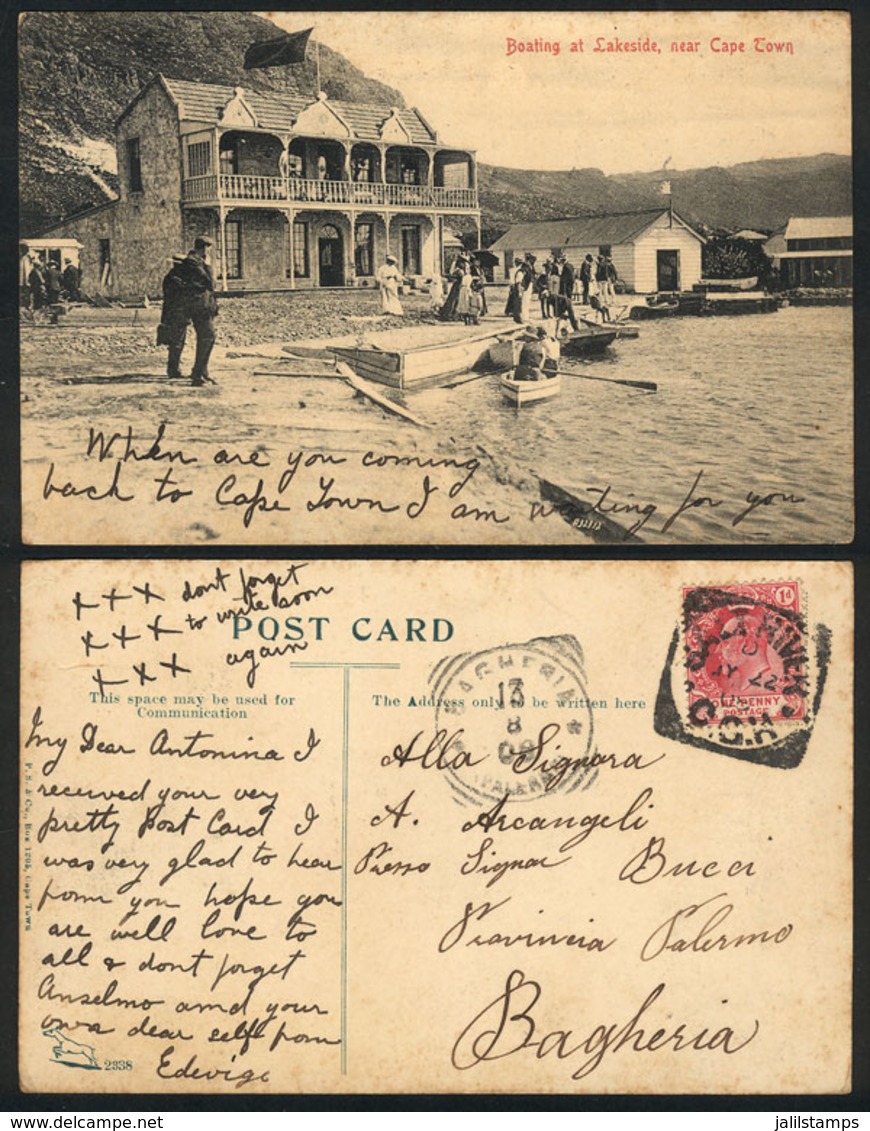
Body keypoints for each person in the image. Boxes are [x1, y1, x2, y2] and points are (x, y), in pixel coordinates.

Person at [176, 236, 218, 386]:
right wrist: (208, 265)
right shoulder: (192, 263)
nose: (209, 252)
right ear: (204, 248)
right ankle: (197, 374)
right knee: (208, 336)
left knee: (207, 337)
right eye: (209, 248)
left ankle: (202, 371)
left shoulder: (196, 262)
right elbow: (211, 283)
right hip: (198, 306)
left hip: (204, 305)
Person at [158, 256, 189, 379]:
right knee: (176, 342)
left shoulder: (172, 277)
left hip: (173, 314)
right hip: (175, 314)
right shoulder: (174, 279)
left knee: (177, 342)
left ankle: (173, 368)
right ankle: (173, 370)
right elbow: (183, 294)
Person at [439, 252, 468, 321]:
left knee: (459, 300)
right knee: (453, 300)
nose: (463, 264)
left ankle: (456, 315)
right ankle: (448, 314)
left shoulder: (463, 270)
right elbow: (455, 275)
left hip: (461, 286)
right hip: (457, 286)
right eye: (462, 263)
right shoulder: (458, 270)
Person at [556, 254, 580, 331]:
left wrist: (563, 291)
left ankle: (563, 314)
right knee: (568, 302)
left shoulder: (566, 267)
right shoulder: (570, 265)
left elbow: (564, 280)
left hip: (566, 287)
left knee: (566, 302)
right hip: (570, 286)